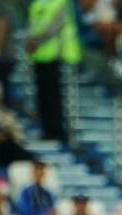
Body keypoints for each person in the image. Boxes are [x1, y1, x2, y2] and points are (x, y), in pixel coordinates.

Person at [27, 0, 81, 145]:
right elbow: (32, 26)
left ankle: (56, 131)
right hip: (38, 55)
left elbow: (54, 27)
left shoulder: (59, 3)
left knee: (53, 96)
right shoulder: (36, 4)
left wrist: (35, 41)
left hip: (54, 53)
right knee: (43, 96)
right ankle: (46, 130)